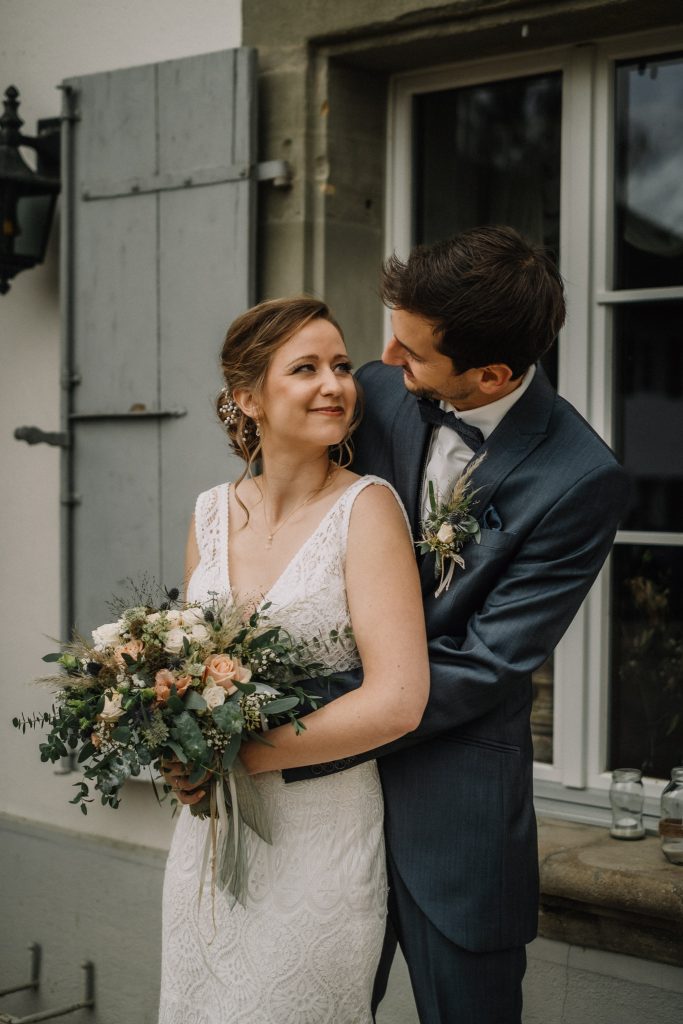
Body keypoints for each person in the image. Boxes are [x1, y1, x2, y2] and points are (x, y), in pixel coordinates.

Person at [241, 227, 630, 1024]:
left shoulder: (581, 478)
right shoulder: (376, 391)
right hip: (314, 814)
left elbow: (488, 662)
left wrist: (294, 725)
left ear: (490, 375)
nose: (385, 358)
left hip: (454, 815)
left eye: (413, 351)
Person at [158, 297, 429, 1024]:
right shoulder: (210, 512)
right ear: (248, 398)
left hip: (320, 838)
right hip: (210, 837)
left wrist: (240, 758)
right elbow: (187, 673)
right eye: (305, 369)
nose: (335, 385)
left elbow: (398, 701)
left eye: (340, 366)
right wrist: (176, 745)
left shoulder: (367, 509)